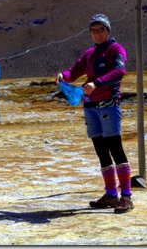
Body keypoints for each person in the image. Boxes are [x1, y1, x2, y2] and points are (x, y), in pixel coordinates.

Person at [56, 13, 133, 214]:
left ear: (108, 30)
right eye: (93, 30)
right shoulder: (90, 53)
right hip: (90, 106)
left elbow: (119, 71)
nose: (97, 34)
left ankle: (126, 196)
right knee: (101, 150)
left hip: (108, 104)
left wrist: (96, 82)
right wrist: (64, 75)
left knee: (115, 147)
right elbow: (76, 69)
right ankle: (110, 194)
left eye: (101, 30)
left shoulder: (116, 49)